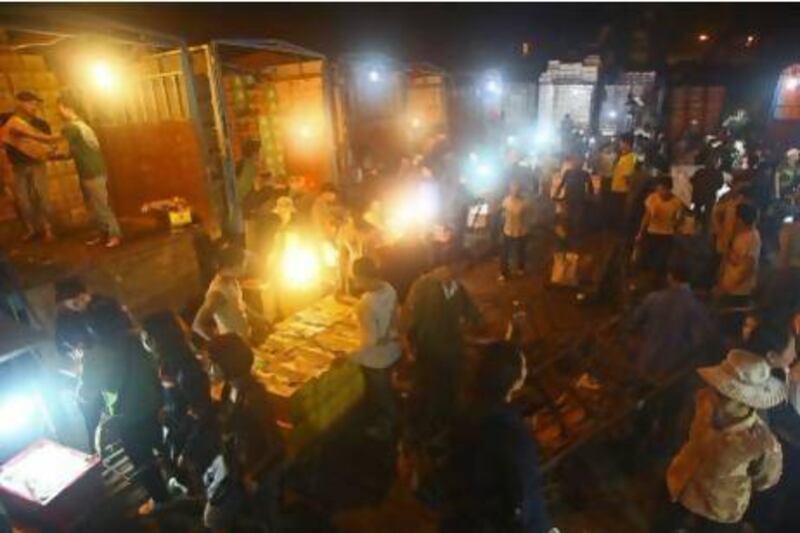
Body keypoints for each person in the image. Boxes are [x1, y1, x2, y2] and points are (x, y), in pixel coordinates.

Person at [659, 350, 783, 532]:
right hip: (683, 487)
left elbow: (765, 479)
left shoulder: (760, 438)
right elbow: (682, 431)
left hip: (714, 510)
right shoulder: (703, 400)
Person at [444, 342, 553, 533]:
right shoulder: (513, 435)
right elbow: (524, 500)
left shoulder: (466, 413)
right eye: (524, 366)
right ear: (517, 379)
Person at [80, 299, 170, 514]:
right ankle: (185, 484)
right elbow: (158, 366)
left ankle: (162, 501)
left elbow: (86, 394)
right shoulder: (141, 338)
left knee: (144, 462)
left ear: (93, 328)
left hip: (128, 420)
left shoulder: (93, 357)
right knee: (169, 448)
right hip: (159, 409)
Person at [203, 334, 285, 532]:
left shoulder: (254, 398)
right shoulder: (229, 388)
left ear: (227, 364)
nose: (208, 369)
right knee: (217, 518)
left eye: (212, 363)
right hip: (236, 465)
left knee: (265, 517)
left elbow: (277, 445)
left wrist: (253, 476)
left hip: (256, 470)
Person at [404, 257, 484, 443]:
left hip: (452, 346)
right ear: (441, 267)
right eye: (453, 268)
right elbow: (411, 316)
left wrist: (477, 320)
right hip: (429, 347)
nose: (455, 273)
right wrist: (410, 343)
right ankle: (427, 431)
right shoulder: (422, 287)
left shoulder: (456, 287)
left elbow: (469, 308)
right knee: (431, 387)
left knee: (450, 385)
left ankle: (447, 424)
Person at [141, 311, 211, 470]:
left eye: (146, 337)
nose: (144, 341)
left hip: (192, 441)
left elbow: (200, 411)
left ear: (158, 339)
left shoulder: (186, 369)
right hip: (177, 432)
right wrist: (165, 409)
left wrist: (186, 452)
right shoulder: (166, 363)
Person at [628, 256, 717, 381]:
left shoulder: (653, 298)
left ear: (669, 276)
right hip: (674, 377)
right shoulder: (697, 308)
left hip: (646, 366)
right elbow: (701, 342)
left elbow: (634, 322)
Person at [56, 94, 122, 247]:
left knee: (100, 205)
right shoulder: (82, 125)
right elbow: (72, 152)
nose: (59, 112)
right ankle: (104, 234)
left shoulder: (72, 127)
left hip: (92, 171)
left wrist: (43, 150)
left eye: (60, 108)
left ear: (67, 108)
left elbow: (57, 142)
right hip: (91, 170)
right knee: (95, 205)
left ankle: (114, 235)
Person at [349, 257, 402, 440]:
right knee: (389, 389)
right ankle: (393, 422)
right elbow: (396, 317)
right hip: (393, 351)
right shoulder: (389, 288)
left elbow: (371, 341)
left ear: (363, 277)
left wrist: (349, 355)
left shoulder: (365, 303)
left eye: (356, 278)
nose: (355, 282)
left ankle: (388, 429)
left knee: (382, 396)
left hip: (376, 360)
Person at [2, 91, 59, 241]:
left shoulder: (40, 124)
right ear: (20, 103)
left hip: (37, 164)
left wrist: (50, 149)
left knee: (41, 197)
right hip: (18, 166)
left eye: (35, 103)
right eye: (30, 102)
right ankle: (32, 229)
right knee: (23, 200)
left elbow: (48, 145)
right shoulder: (8, 122)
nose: (34, 106)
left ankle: (48, 229)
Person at [193, 244, 264, 343]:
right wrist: (220, 344)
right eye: (243, 264)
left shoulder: (232, 281)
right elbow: (197, 325)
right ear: (232, 266)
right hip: (233, 345)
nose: (245, 268)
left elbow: (239, 304)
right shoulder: (217, 293)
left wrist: (257, 318)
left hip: (244, 340)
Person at [636, 176, 684, 278]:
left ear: (669, 189)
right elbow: (647, 216)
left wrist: (677, 226)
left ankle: (657, 281)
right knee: (649, 258)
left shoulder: (676, 202)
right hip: (652, 232)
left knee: (661, 261)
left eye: (663, 189)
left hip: (667, 235)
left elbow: (679, 219)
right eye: (659, 188)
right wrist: (641, 232)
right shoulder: (652, 198)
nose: (660, 192)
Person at [716, 203, 761, 309]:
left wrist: (726, 288)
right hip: (729, 289)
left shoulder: (752, 238)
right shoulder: (738, 235)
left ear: (740, 219)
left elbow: (749, 267)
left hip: (739, 292)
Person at [499, 181, 530, 281]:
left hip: (521, 230)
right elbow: (502, 213)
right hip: (508, 230)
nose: (514, 191)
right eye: (512, 188)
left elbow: (527, 216)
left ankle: (520, 268)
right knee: (505, 252)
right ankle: (503, 273)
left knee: (520, 251)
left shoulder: (524, 203)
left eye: (516, 189)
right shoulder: (506, 201)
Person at [557, 154, 590, 247]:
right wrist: (557, 192)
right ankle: (569, 238)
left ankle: (574, 239)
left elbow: (589, 187)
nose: (575, 163)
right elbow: (562, 184)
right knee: (569, 218)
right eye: (574, 161)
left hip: (578, 199)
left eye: (577, 161)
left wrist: (589, 196)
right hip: (570, 198)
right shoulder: (568, 172)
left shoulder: (584, 174)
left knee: (576, 219)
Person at [610, 133, 637, 233]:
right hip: (617, 189)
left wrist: (630, 193)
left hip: (622, 191)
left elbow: (628, 177)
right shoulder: (622, 156)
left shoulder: (631, 157)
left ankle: (622, 236)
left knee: (621, 216)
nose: (619, 145)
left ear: (627, 144)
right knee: (617, 215)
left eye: (621, 142)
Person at [691, 155, 724, 232]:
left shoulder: (699, 171)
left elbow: (692, 180)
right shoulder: (718, 173)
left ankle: (696, 225)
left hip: (698, 195)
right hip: (710, 196)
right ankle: (705, 229)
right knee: (708, 213)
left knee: (697, 210)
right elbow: (720, 185)